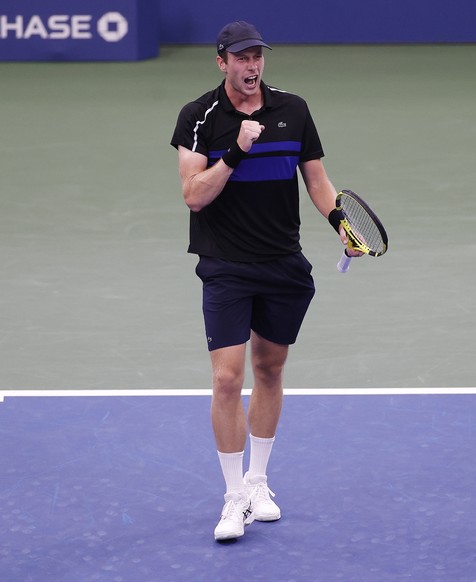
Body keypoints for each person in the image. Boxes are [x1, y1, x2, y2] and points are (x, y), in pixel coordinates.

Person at [170, 21, 361, 541]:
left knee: (270, 371)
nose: (252, 66)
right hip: (226, 265)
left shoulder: (293, 110)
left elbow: (317, 180)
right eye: (241, 57)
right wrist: (235, 151)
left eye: (257, 56)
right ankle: (233, 498)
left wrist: (343, 227)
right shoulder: (198, 118)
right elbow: (193, 195)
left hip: (282, 263)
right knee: (229, 379)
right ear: (221, 62)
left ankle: (258, 482)